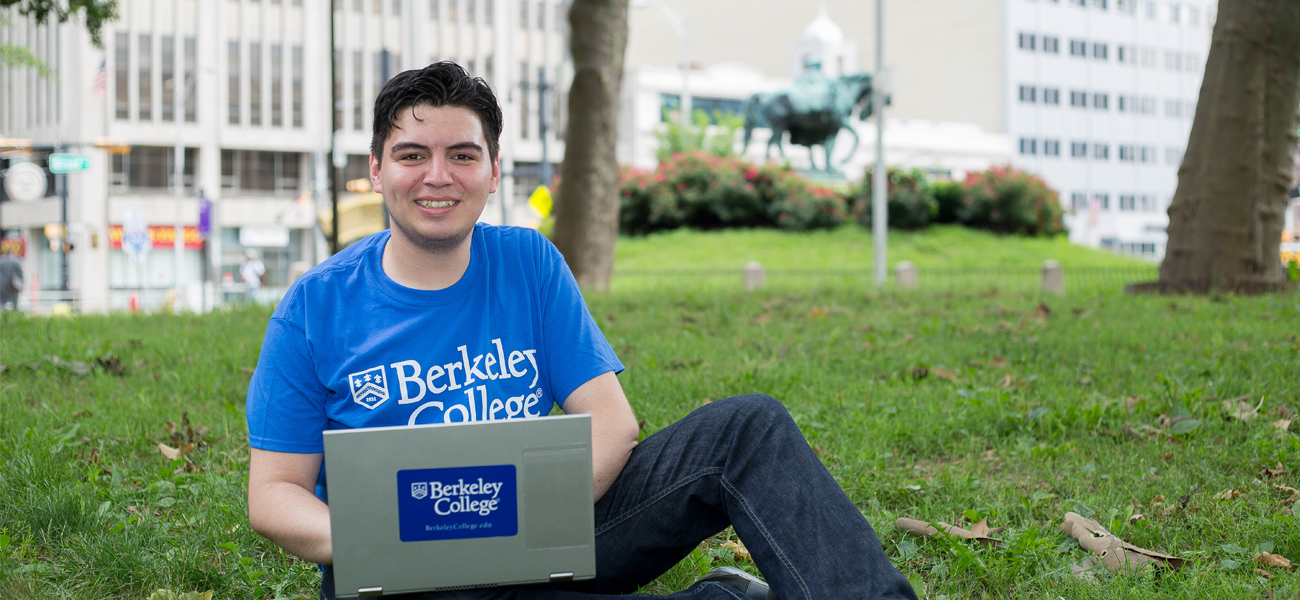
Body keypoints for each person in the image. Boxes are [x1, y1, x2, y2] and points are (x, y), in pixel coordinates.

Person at [245, 62, 916, 600]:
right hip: (399, 569)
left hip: (544, 522)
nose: (438, 176)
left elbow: (611, 424)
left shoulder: (528, 261)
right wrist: (383, 538)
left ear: (493, 171)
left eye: (463, 154)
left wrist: (505, 519)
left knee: (749, 427)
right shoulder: (314, 307)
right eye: (412, 154)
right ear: (377, 168)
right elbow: (275, 494)